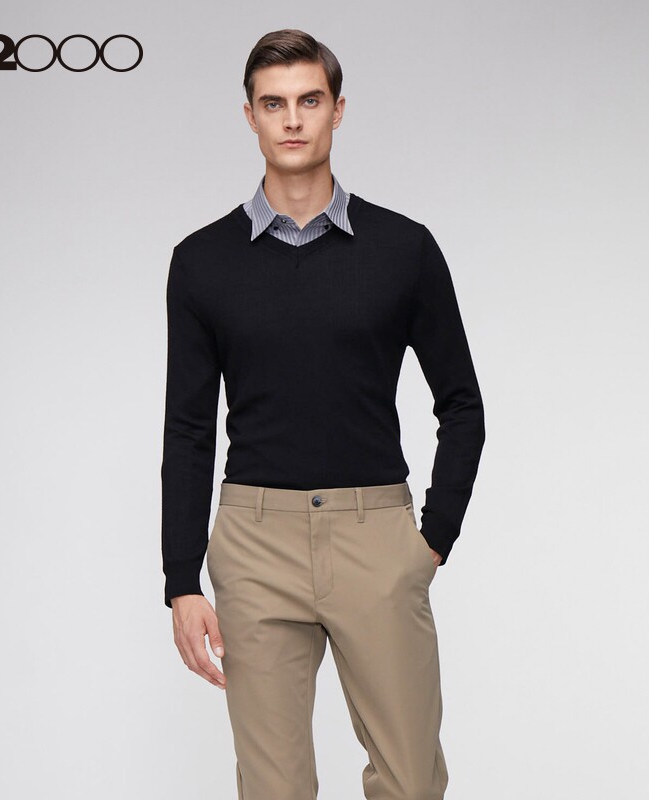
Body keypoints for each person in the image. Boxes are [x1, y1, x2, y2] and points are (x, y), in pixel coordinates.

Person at [160, 28, 485, 800]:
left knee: (411, 781)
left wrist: (432, 540)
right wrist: (181, 580)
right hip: (254, 543)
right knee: (273, 790)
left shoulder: (402, 249)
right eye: (274, 104)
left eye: (309, 100)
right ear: (250, 117)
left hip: (377, 536)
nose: (293, 119)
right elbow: (189, 428)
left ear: (338, 110)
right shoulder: (203, 261)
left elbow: (462, 404)